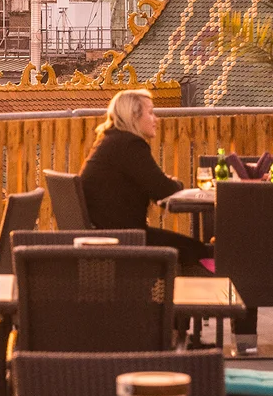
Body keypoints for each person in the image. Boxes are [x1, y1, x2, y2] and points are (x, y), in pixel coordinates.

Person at [79, 88, 213, 273]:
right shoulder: (130, 145)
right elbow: (166, 191)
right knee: (197, 250)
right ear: (134, 117)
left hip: (107, 235)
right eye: (150, 113)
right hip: (125, 239)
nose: (156, 119)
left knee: (190, 247)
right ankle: (187, 292)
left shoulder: (111, 141)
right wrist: (175, 183)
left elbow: (153, 184)